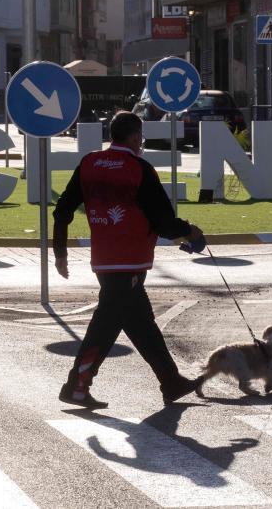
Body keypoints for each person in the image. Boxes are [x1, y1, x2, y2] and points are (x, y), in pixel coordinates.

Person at [53, 111, 207, 409]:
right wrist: (190, 232)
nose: (142, 143)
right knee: (105, 326)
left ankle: (171, 382)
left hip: (103, 261)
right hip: (130, 262)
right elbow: (164, 222)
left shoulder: (89, 163)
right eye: (142, 138)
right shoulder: (139, 168)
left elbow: (62, 210)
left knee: (141, 323)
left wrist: (61, 252)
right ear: (136, 137)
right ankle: (76, 386)